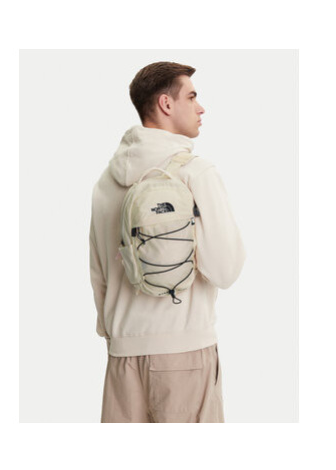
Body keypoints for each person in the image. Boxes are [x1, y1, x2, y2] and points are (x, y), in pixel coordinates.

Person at [89, 61, 246, 422]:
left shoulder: (105, 183)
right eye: (191, 97)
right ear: (166, 104)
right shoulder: (195, 172)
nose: (201, 107)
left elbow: (99, 274)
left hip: (122, 357)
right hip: (184, 351)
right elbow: (225, 270)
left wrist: (118, 335)